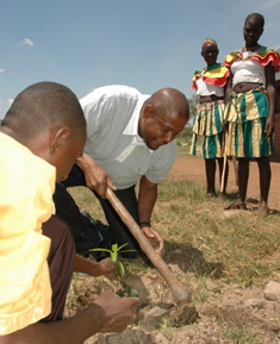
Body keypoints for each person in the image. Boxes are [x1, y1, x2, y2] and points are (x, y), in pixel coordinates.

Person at [0, 81, 139, 343]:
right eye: (74, 154)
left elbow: (24, 245)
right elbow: (9, 340)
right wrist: (97, 318)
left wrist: (95, 268)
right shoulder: (25, 183)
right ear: (59, 138)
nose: (65, 175)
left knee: (57, 232)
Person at [54, 85, 190, 259]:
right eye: (165, 129)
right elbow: (64, 132)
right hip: (75, 161)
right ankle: (86, 237)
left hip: (116, 185)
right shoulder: (110, 102)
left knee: (132, 249)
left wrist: (144, 224)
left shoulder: (168, 149)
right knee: (42, 180)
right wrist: (88, 165)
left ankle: (95, 227)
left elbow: (149, 187)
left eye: (176, 133)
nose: (169, 139)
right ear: (148, 113)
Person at [223, 13, 280, 214]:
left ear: (261, 32)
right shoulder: (233, 57)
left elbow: (272, 85)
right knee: (242, 155)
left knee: (261, 154)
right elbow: (229, 86)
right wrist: (227, 111)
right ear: (243, 28)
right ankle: (241, 199)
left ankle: (264, 203)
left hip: (257, 103)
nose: (250, 34)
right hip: (237, 106)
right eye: (248, 29)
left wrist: (271, 116)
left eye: (255, 31)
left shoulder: (267, 53)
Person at [190, 38, 230, 199]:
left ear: (218, 53)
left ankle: (222, 190)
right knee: (209, 154)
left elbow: (228, 93)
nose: (210, 54)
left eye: (213, 51)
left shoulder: (224, 70)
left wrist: (227, 114)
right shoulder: (199, 74)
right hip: (203, 112)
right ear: (202, 55)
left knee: (220, 153)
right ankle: (210, 189)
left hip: (218, 110)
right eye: (207, 53)